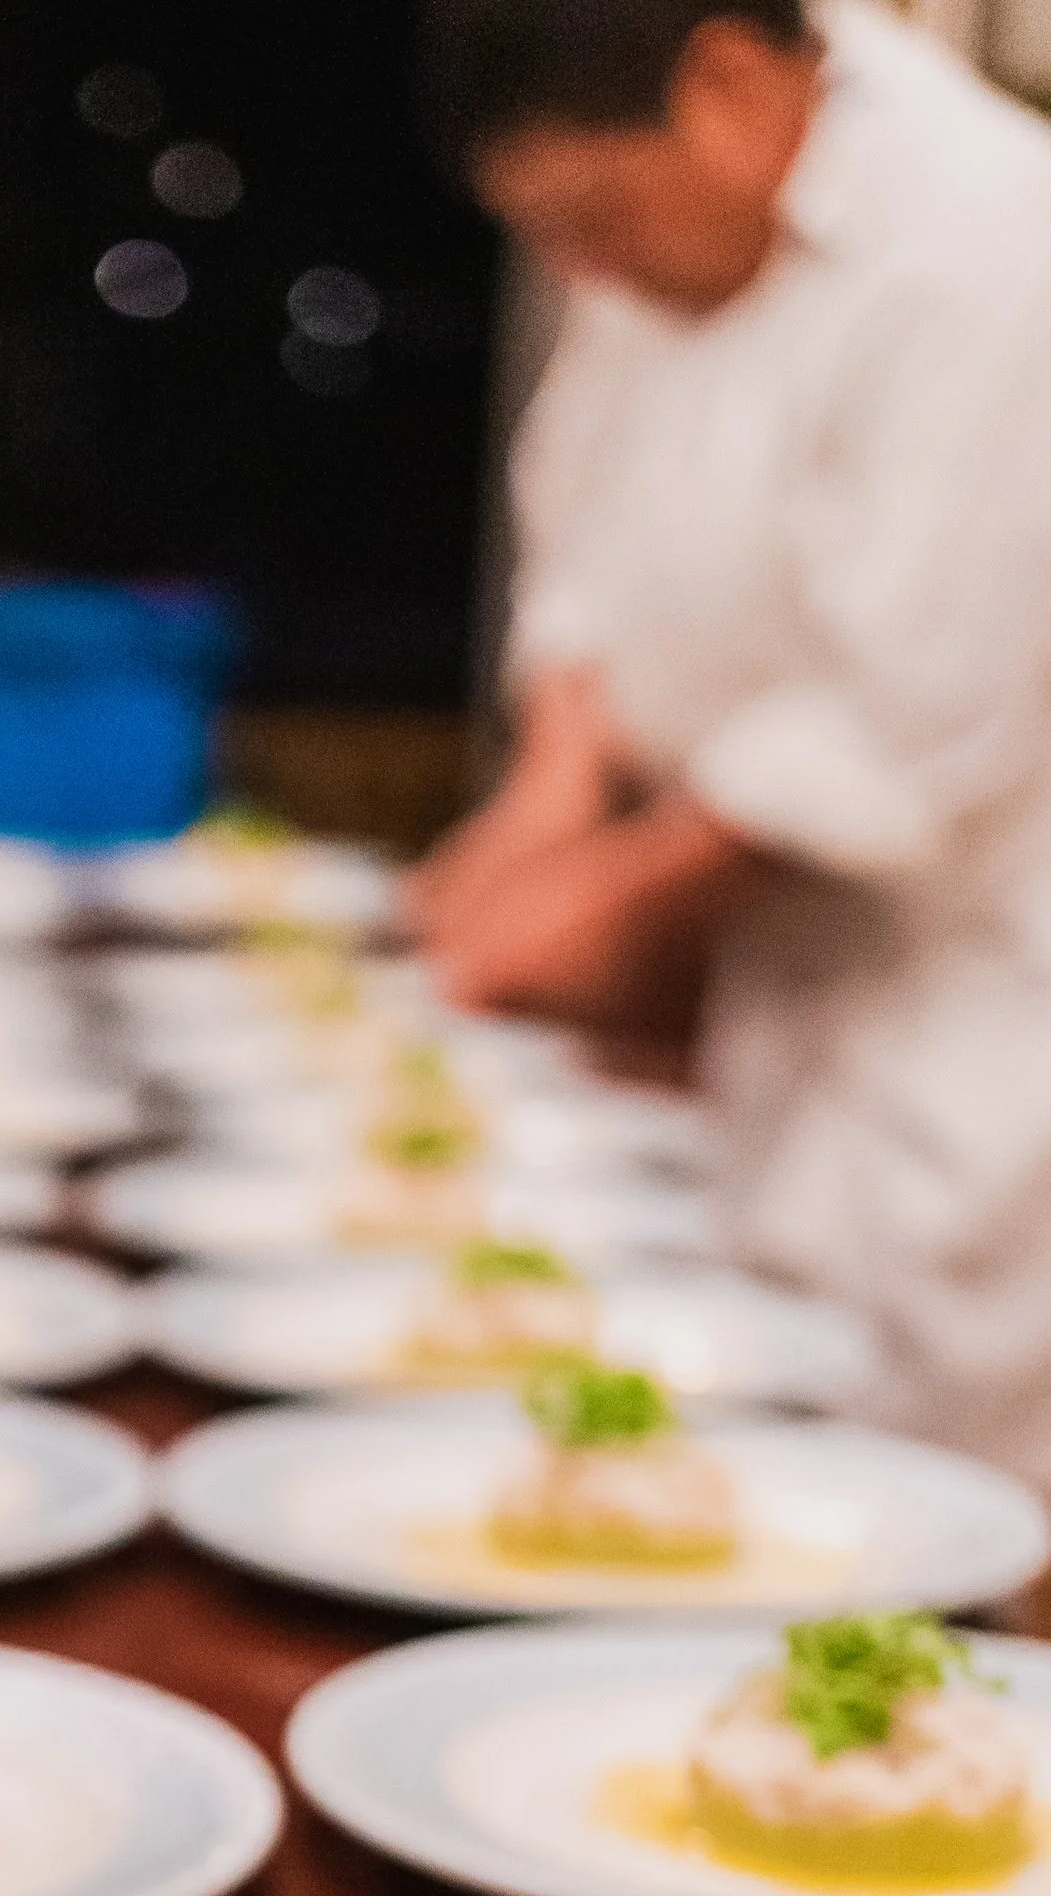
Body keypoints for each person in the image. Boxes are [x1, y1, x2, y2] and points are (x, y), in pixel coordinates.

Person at [411, 0, 1051, 1481]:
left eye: (597, 215)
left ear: (729, 76)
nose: (582, 269)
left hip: (977, 1006)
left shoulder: (998, 246)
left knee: (939, 1510)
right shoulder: (673, 231)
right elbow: (579, 529)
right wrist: (552, 790)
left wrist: (603, 899)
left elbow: (906, 718)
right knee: (757, 1458)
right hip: (777, 985)